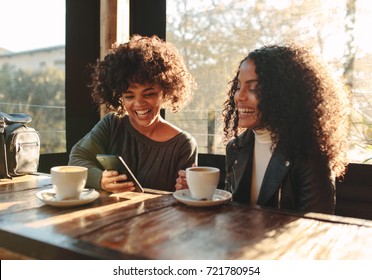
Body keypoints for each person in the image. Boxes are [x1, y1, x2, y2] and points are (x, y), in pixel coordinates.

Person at [176, 44, 350, 214]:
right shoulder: (236, 148)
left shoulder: (310, 155)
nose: (239, 96)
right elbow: (233, 213)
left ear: (284, 95)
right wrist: (199, 195)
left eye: (253, 88)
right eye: (238, 87)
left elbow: (314, 229)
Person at [69, 34, 198, 193]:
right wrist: (100, 179)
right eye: (129, 96)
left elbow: (185, 198)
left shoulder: (183, 144)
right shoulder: (112, 124)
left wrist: (187, 190)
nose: (139, 103)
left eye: (149, 94)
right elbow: (76, 160)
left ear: (165, 92)